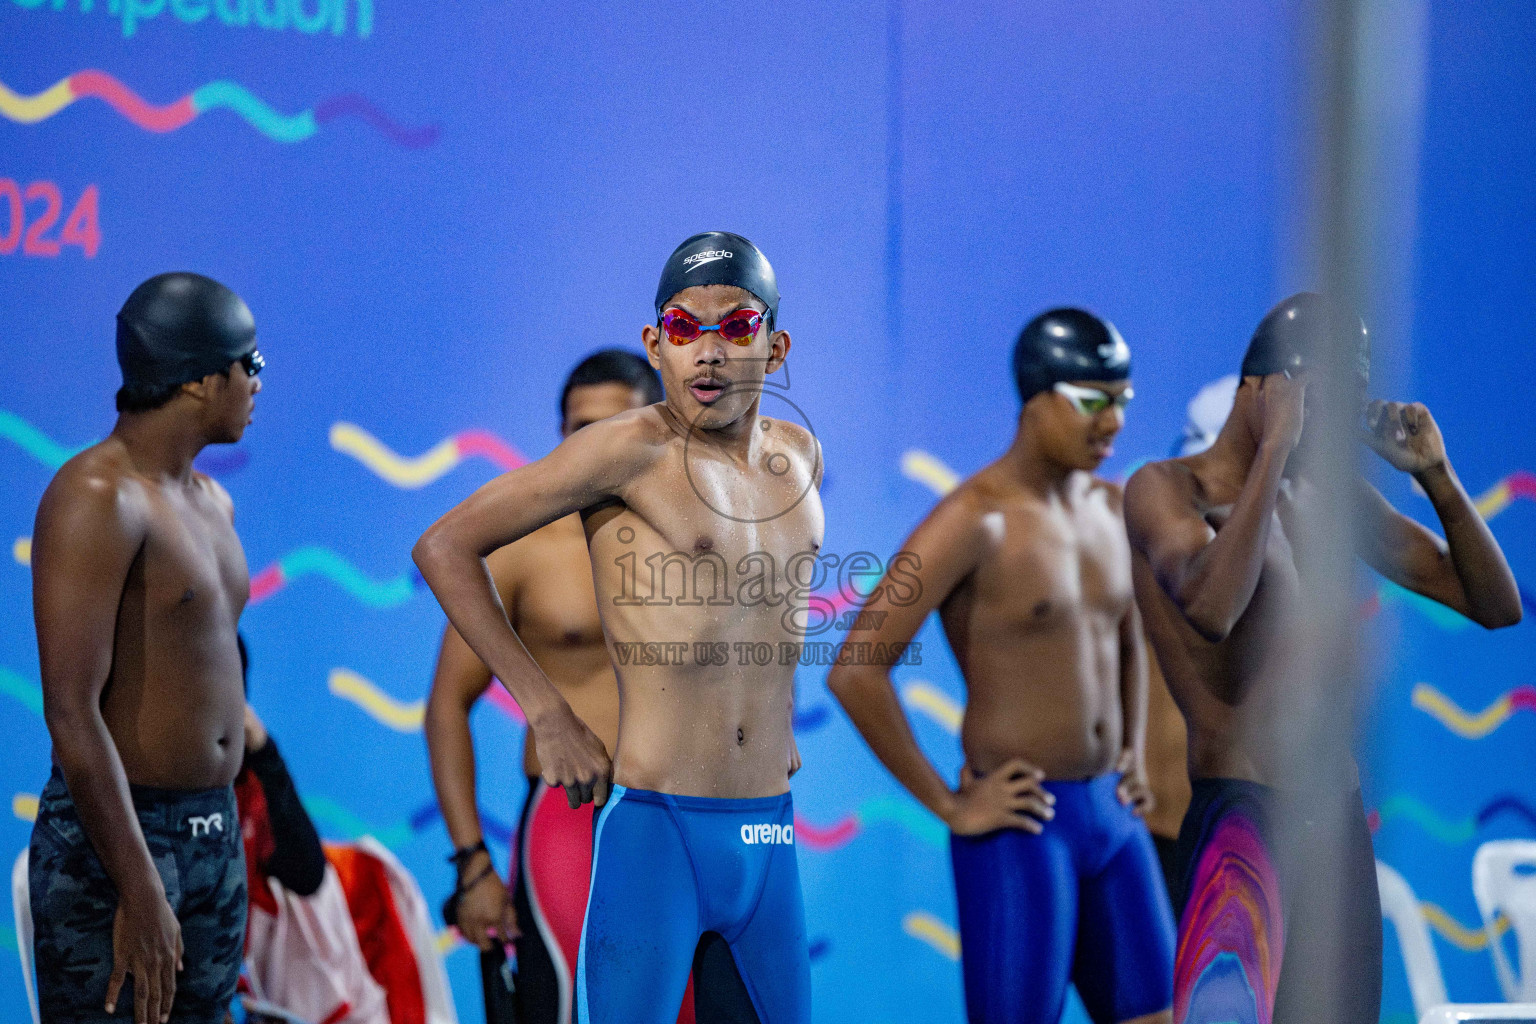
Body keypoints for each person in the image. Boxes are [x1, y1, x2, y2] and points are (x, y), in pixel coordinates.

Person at [414, 232, 820, 1024]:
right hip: (657, 829)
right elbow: (443, 546)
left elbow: (770, 604)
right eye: (683, 327)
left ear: (775, 348)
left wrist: (770, 714)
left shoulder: (799, 456)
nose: (708, 351)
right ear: (655, 345)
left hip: (769, 830)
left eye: (736, 328)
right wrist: (547, 710)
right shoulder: (626, 453)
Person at [1123, 292, 1522, 1024]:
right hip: (1241, 817)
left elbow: (1496, 607)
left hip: (1334, 821)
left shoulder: (1327, 499)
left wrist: (1436, 475)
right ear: (1260, 386)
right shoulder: (1166, 490)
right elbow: (1211, 610)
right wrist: (1273, 449)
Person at [829, 308, 1175, 1024]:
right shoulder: (971, 519)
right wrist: (950, 804)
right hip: (1022, 827)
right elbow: (856, 668)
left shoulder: (1115, 509)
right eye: (1092, 401)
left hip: (1112, 815)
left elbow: (1127, 635)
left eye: (1123, 401)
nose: (1112, 422)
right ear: (1035, 397)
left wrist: (1136, 751)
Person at [29, 272, 264, 1024]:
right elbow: (70, 710)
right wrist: (136, 881)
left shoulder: (211, 500)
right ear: (200, 381)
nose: (258, 384)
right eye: (250, 365)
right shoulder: (98, 497)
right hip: (121, 841)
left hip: (213, 829)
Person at [423, 349, 669, 1024]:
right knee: (564, 1008)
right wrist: (472, 864)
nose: (591, 446)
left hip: (683, 816)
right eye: (576, 428)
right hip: (572, 819)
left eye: (610, 425)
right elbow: (447, 704)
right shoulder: (523, 549)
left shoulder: (698, 542)